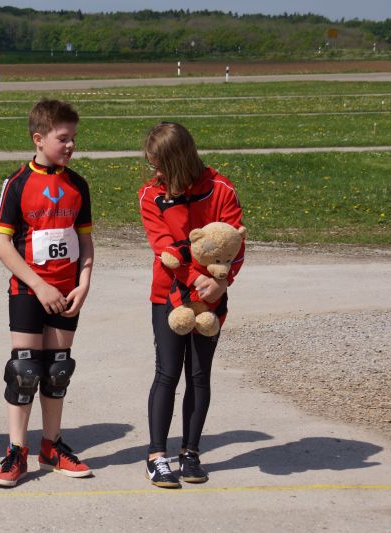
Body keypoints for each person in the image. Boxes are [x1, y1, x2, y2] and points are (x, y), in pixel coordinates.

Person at [0, 99, 94, 488]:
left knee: (57, 370)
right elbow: (1, 243)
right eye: (62, 138)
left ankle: (51, 446)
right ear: (38, 138)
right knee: (24, 371)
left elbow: (85, 242)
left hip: (67, 292)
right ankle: (16, 451)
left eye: (74, 138)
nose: (71, 145)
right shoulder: (17, 183)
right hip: (29, 290)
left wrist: (84, 282)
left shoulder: (77, 184)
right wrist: (39, 284)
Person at [138, 121, 244, 488]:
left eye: (160, 165)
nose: (155, 173)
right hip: (168, 295)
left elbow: (234, 243)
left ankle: (190, 452)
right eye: (152, 164)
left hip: (212, 296)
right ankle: (156, 456)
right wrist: (198, 282)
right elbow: (164, 248)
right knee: (167, 372)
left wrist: (222, 281)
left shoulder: (221, 189)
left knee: (199, 374)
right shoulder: (150, 195)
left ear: (180, 160)